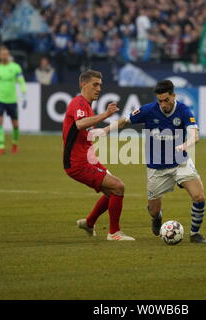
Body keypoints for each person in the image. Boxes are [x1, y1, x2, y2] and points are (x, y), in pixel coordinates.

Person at [120, 80, 206, 244]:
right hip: (157, 167)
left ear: (173, 96)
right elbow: (125, 120)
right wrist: (105, 128)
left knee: (199, 196)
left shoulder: (183, 110)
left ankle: (195, 233)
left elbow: (195, 135)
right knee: (153, 210)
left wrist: (185, 145)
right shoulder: (148, 110)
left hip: (179, 161)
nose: (163, 104)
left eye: (166, 100)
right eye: (160, 100)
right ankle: (157, 217)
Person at [64, 69, 135, 241]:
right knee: (118, 187)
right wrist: (105, 115)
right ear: (83, 84)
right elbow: (80, 124)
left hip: (88, 160)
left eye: (100, 85)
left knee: (113, 192)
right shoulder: (78, 103)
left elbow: (91, 132)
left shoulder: (87, 106)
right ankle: (114, 233)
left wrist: (115, 125)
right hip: (78, 163)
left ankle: (89, 223)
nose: (99, 88)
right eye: (95, 84)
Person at [0, 46, 27, 155]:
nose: (4, 56)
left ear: (8, 55)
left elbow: (21, 81)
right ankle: (1, 146)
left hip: (12, 100)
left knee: (15, 124)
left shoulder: (15, 67)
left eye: (6, 54)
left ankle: (14, 144)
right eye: (2, 54)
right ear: (0, 56)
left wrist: (24, 95)